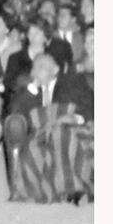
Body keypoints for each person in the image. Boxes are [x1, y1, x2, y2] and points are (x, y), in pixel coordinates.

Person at [8, 49, 94, 204]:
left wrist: (74, 117)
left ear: (55, 70)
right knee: (49, 138)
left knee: (61, 134)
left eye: (41, 66)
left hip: (73, 128)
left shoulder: (72, 81)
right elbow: (14, 110)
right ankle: (65, 189)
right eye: (33, 67)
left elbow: (90, 105)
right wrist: (32, 88)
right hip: (42, 132)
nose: (35, 71)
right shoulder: (30, 89)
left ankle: (74, 187)